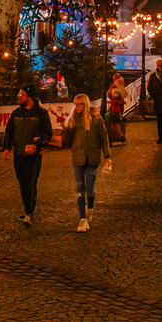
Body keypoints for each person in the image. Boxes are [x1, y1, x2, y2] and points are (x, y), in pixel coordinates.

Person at [2, 84, 52, 227]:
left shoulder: (41, 113)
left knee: (30, 184)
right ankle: (27, 209)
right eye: (18, 95)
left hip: (33, 157)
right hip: (19, 154)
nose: (19, 97)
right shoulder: (16, 112)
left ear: (29, 97)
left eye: (21, 95)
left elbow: (48, 134)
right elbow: (9, 131)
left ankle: (29, 213)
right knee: (22, 183)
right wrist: (6, 148)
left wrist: (36, 145)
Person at [61, 93, 111, 233]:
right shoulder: (73, 119)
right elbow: (68, 140)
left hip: (92, 157)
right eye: (75, 104)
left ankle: (90, 208)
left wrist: (107, 156)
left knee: (90, 187)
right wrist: (64, 130)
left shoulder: (96, 118)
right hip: (78, 157)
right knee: (80, 189)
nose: (76, 107)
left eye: (79, 104)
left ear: (85, 104)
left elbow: (104, 136)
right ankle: (82, 219)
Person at [107, 73, 128, 141]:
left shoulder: (120, 87)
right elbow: (115, 96)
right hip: (115, 107)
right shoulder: (115, 88)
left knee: (120, 120)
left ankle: (120, 134)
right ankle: (118, 135)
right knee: (116, 120)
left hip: (120, 106)